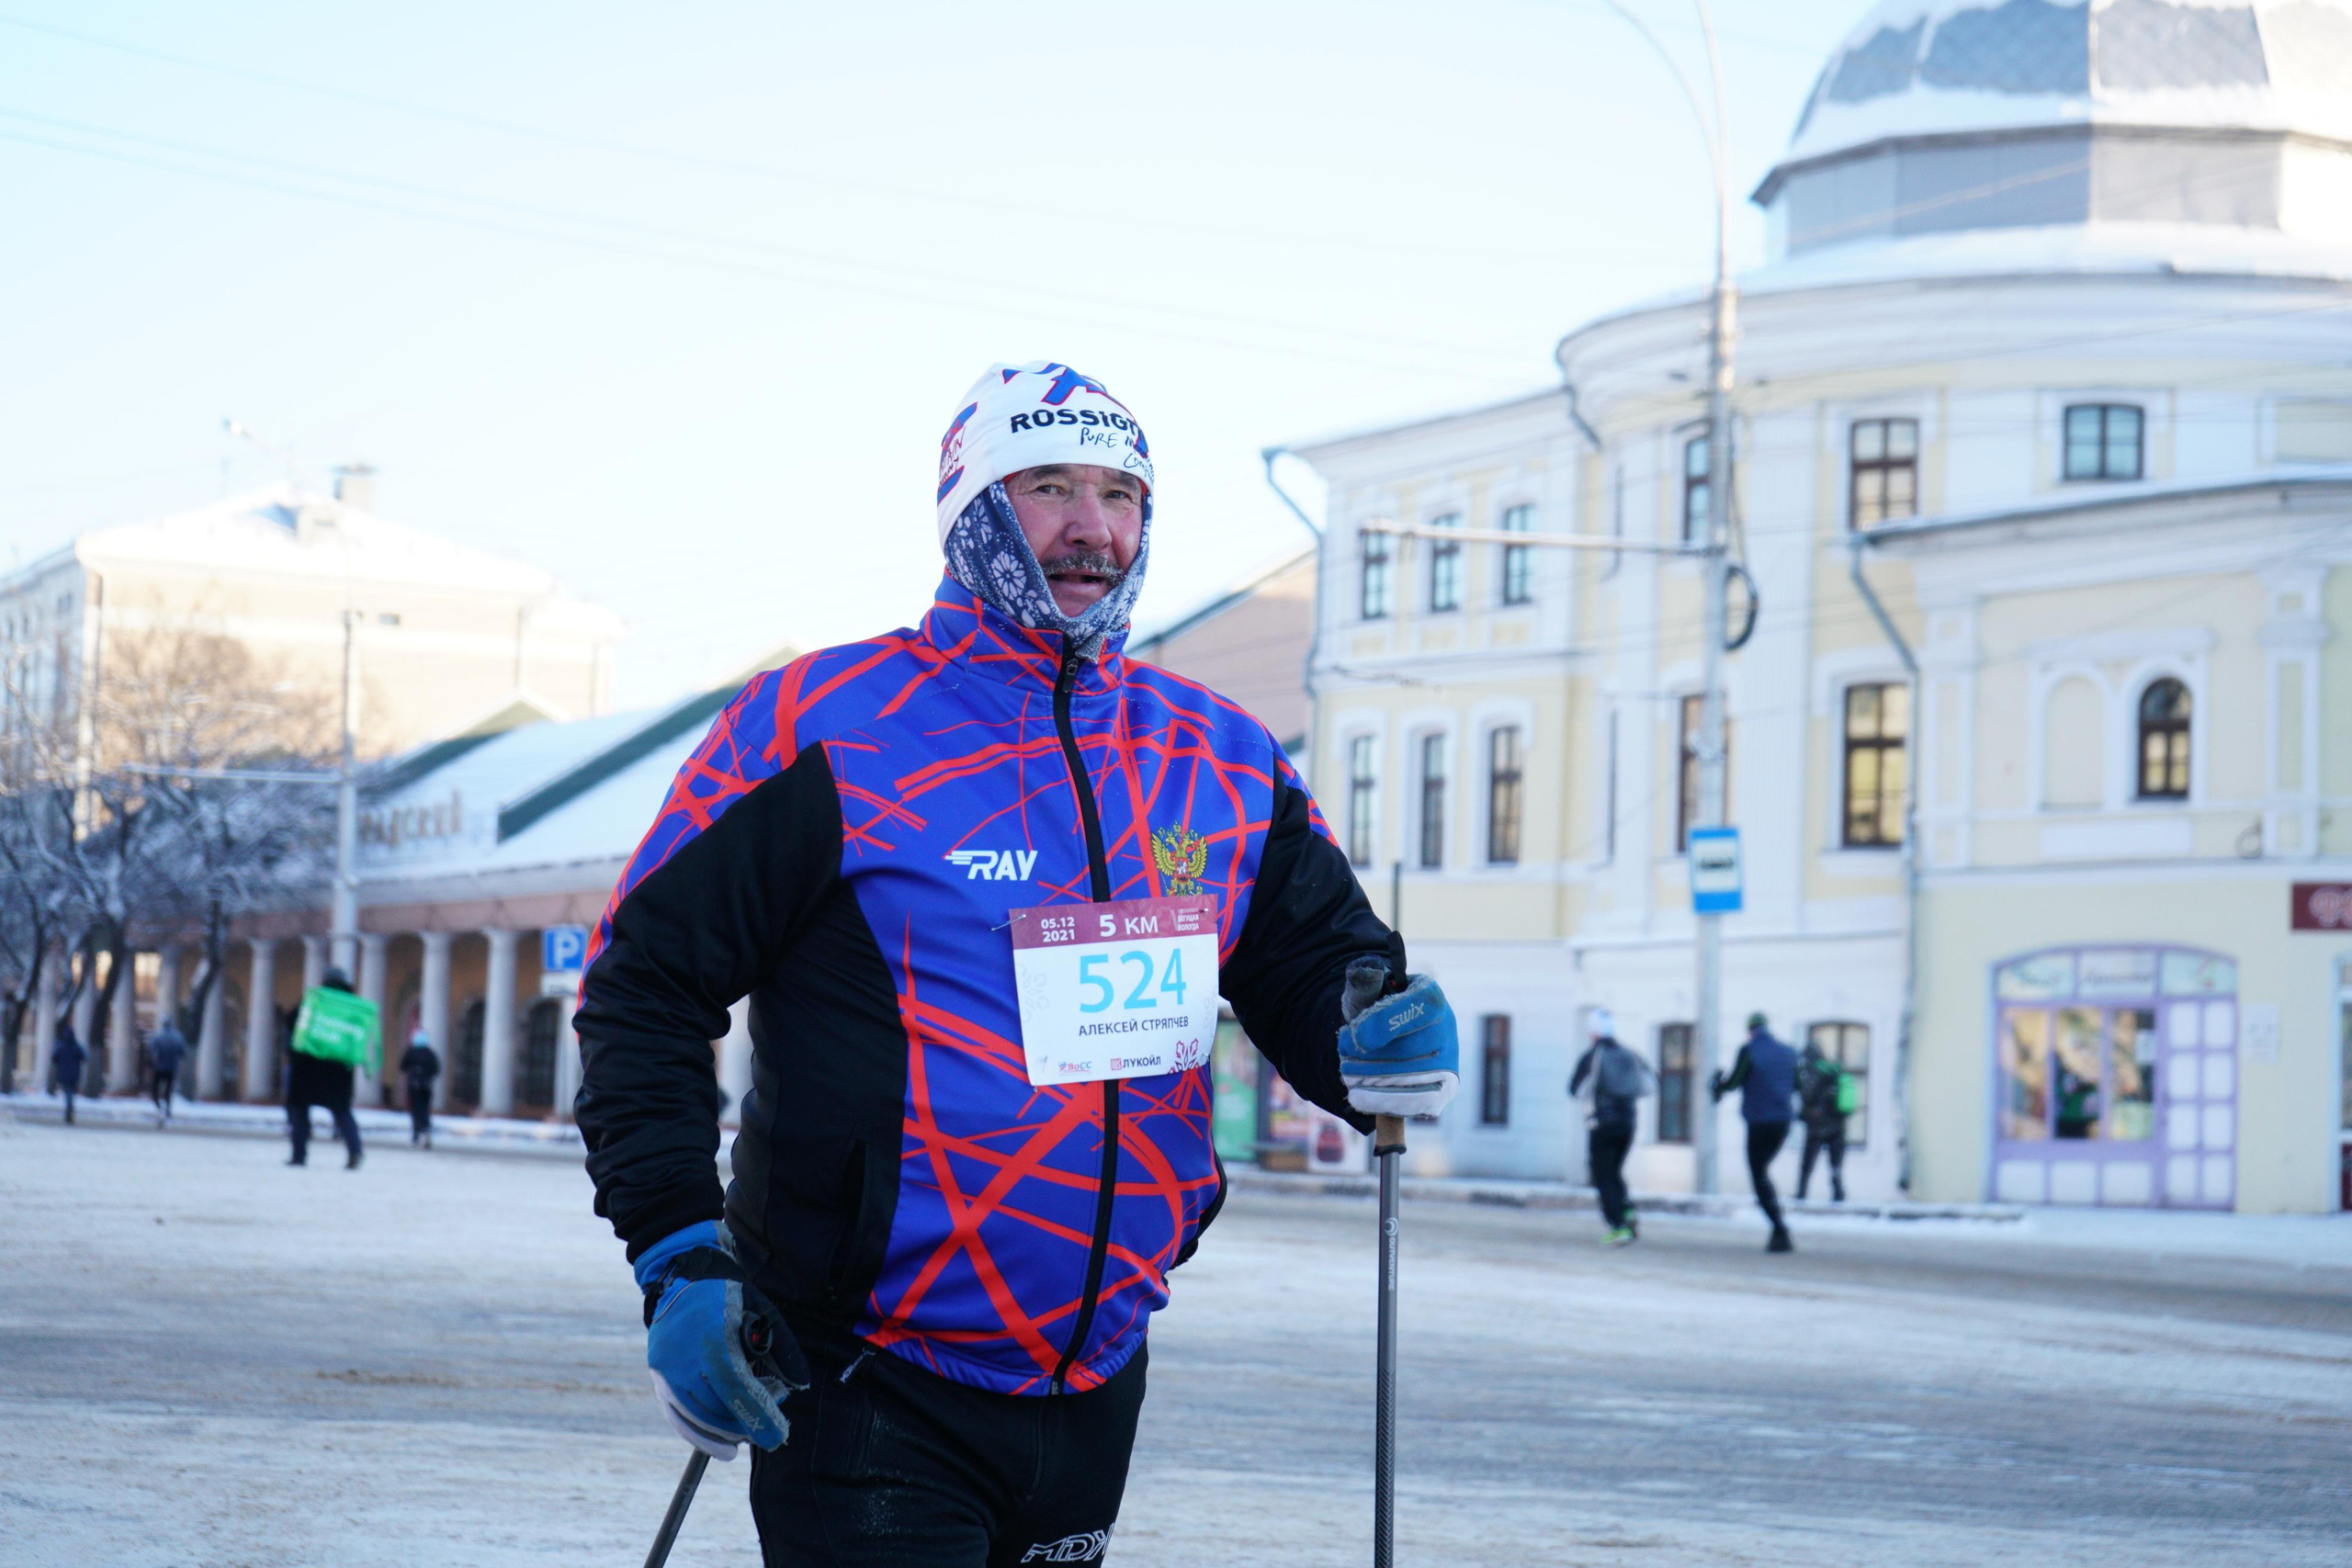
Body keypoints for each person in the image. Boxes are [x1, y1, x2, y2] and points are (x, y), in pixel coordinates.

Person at [575, 360, 1462, 1568]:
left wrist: (1374, 1032)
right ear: (972, 509)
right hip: (863, 1367)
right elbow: (643, 982)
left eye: (1121, 492)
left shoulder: (1220, 752)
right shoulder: (826, 722)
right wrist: (679, 1249)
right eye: (1048, 487)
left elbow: (1317, 966)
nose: (1093, 526)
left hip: (1097, 1365)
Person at [1712, 1011, 1797, 1252]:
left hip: (1759, 1122)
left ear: (1750, 1030)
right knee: (1764, 1172)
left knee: (1758, 1175)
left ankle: (1780, 1230)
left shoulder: (1749, 1050)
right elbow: (1797, 1083)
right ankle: (1778, 1228)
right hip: (1783, 1122)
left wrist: (1718, 1083)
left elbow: (1734, 1082)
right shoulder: (1788, 1052)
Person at [1567, 1010, 1649, 1245]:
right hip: (1628, 1123)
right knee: (1615, 1171)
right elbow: (1649, 1083)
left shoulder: (1593, 1057)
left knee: (1602, 1175)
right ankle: (1627, 1210)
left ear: (1593, 1032)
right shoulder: (1630, 1055)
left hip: (1601, 1124)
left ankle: (1618, 1225)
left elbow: (1575, 1089)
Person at [286, 967, 365, 1170]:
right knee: (342, 1111)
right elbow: (357, 1037)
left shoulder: (315, 1001)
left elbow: (291, 1022)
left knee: (299, 1109)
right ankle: (355, 1151)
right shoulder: (352, 1007)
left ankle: (299, 1155)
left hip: (307, 1065)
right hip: (338, 1068)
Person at [1794, 1037, 1847, 1203]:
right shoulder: (1831, 1069)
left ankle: (1802, 1192)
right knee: (1835, 1163)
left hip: (1817, 1125)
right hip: (1837, 1125)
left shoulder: (1812, 1071)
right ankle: (1838, 1191)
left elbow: (1808, 1095)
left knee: (1808, 1162)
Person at [399, 1028, 440, 1149]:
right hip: (426, 1085)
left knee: (416, 1109)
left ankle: (417, 1133)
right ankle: (426, 1129)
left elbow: (402, 1067)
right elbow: (436, 1069)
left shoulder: (411, 1052)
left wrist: (413, 1072)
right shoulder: (430, 1053)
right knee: (424, 1109)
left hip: (414, 1084)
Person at [147, 1016, 188, 1127]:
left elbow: (151, 1050)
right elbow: (183, 1052)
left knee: (154, 1089)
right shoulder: (178, 1037)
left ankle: (159, 1107)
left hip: (159, 1068)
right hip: (172, 1068)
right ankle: (167, 1109)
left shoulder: (158, 1036)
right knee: (168, 1090)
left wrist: (152, 1063)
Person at [50, 1019, 85, 1125]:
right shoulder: (77, 1046)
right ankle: (70, 1109)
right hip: (74, 1074)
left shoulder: (61, 1046)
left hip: (63, 1074)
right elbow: (84, 1057)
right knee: (71, 1093)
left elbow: (54, 1058)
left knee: (68, 1092)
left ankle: (69, 1109)